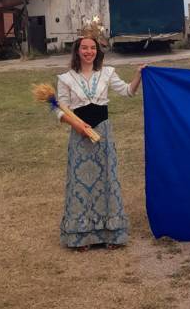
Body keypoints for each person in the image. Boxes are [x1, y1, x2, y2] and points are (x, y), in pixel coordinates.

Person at [56, 24, 143, 251]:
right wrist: (77, 125)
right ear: (77, 51)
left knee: (106, 180)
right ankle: (81, 235)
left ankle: (110, 233)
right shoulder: (66, 78)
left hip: (103, 133)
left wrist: (139, 75)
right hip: (79, 136)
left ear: (97, 51)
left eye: (92, 48)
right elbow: (59, 109)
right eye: (84, 48)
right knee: (80, 183)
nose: (89, 52)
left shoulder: (107, 73)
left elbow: (127, 91)